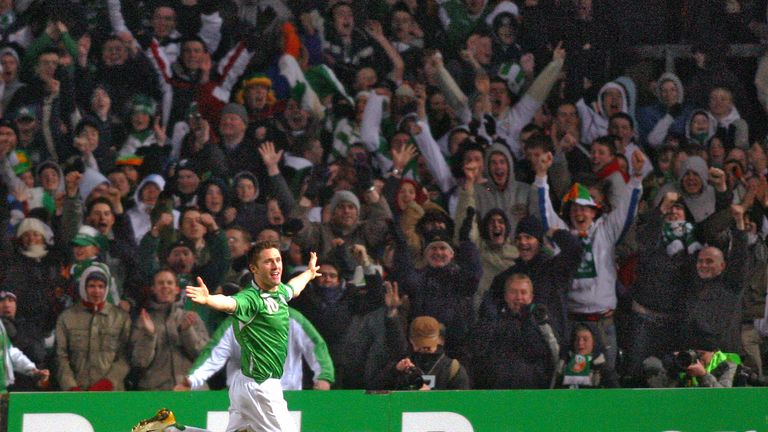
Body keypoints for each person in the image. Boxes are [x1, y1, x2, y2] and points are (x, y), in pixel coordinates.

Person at [185, 241, 321, 432]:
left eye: (278, 260)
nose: (275, 266)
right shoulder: (251, 299)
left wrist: (309, 273)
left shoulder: (279, 292)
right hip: (260, 386)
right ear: (254, 269)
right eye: (268, 262)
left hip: (247, 382)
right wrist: (208, 300)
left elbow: (294, 287)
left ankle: (168, 429)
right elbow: (230, 303)